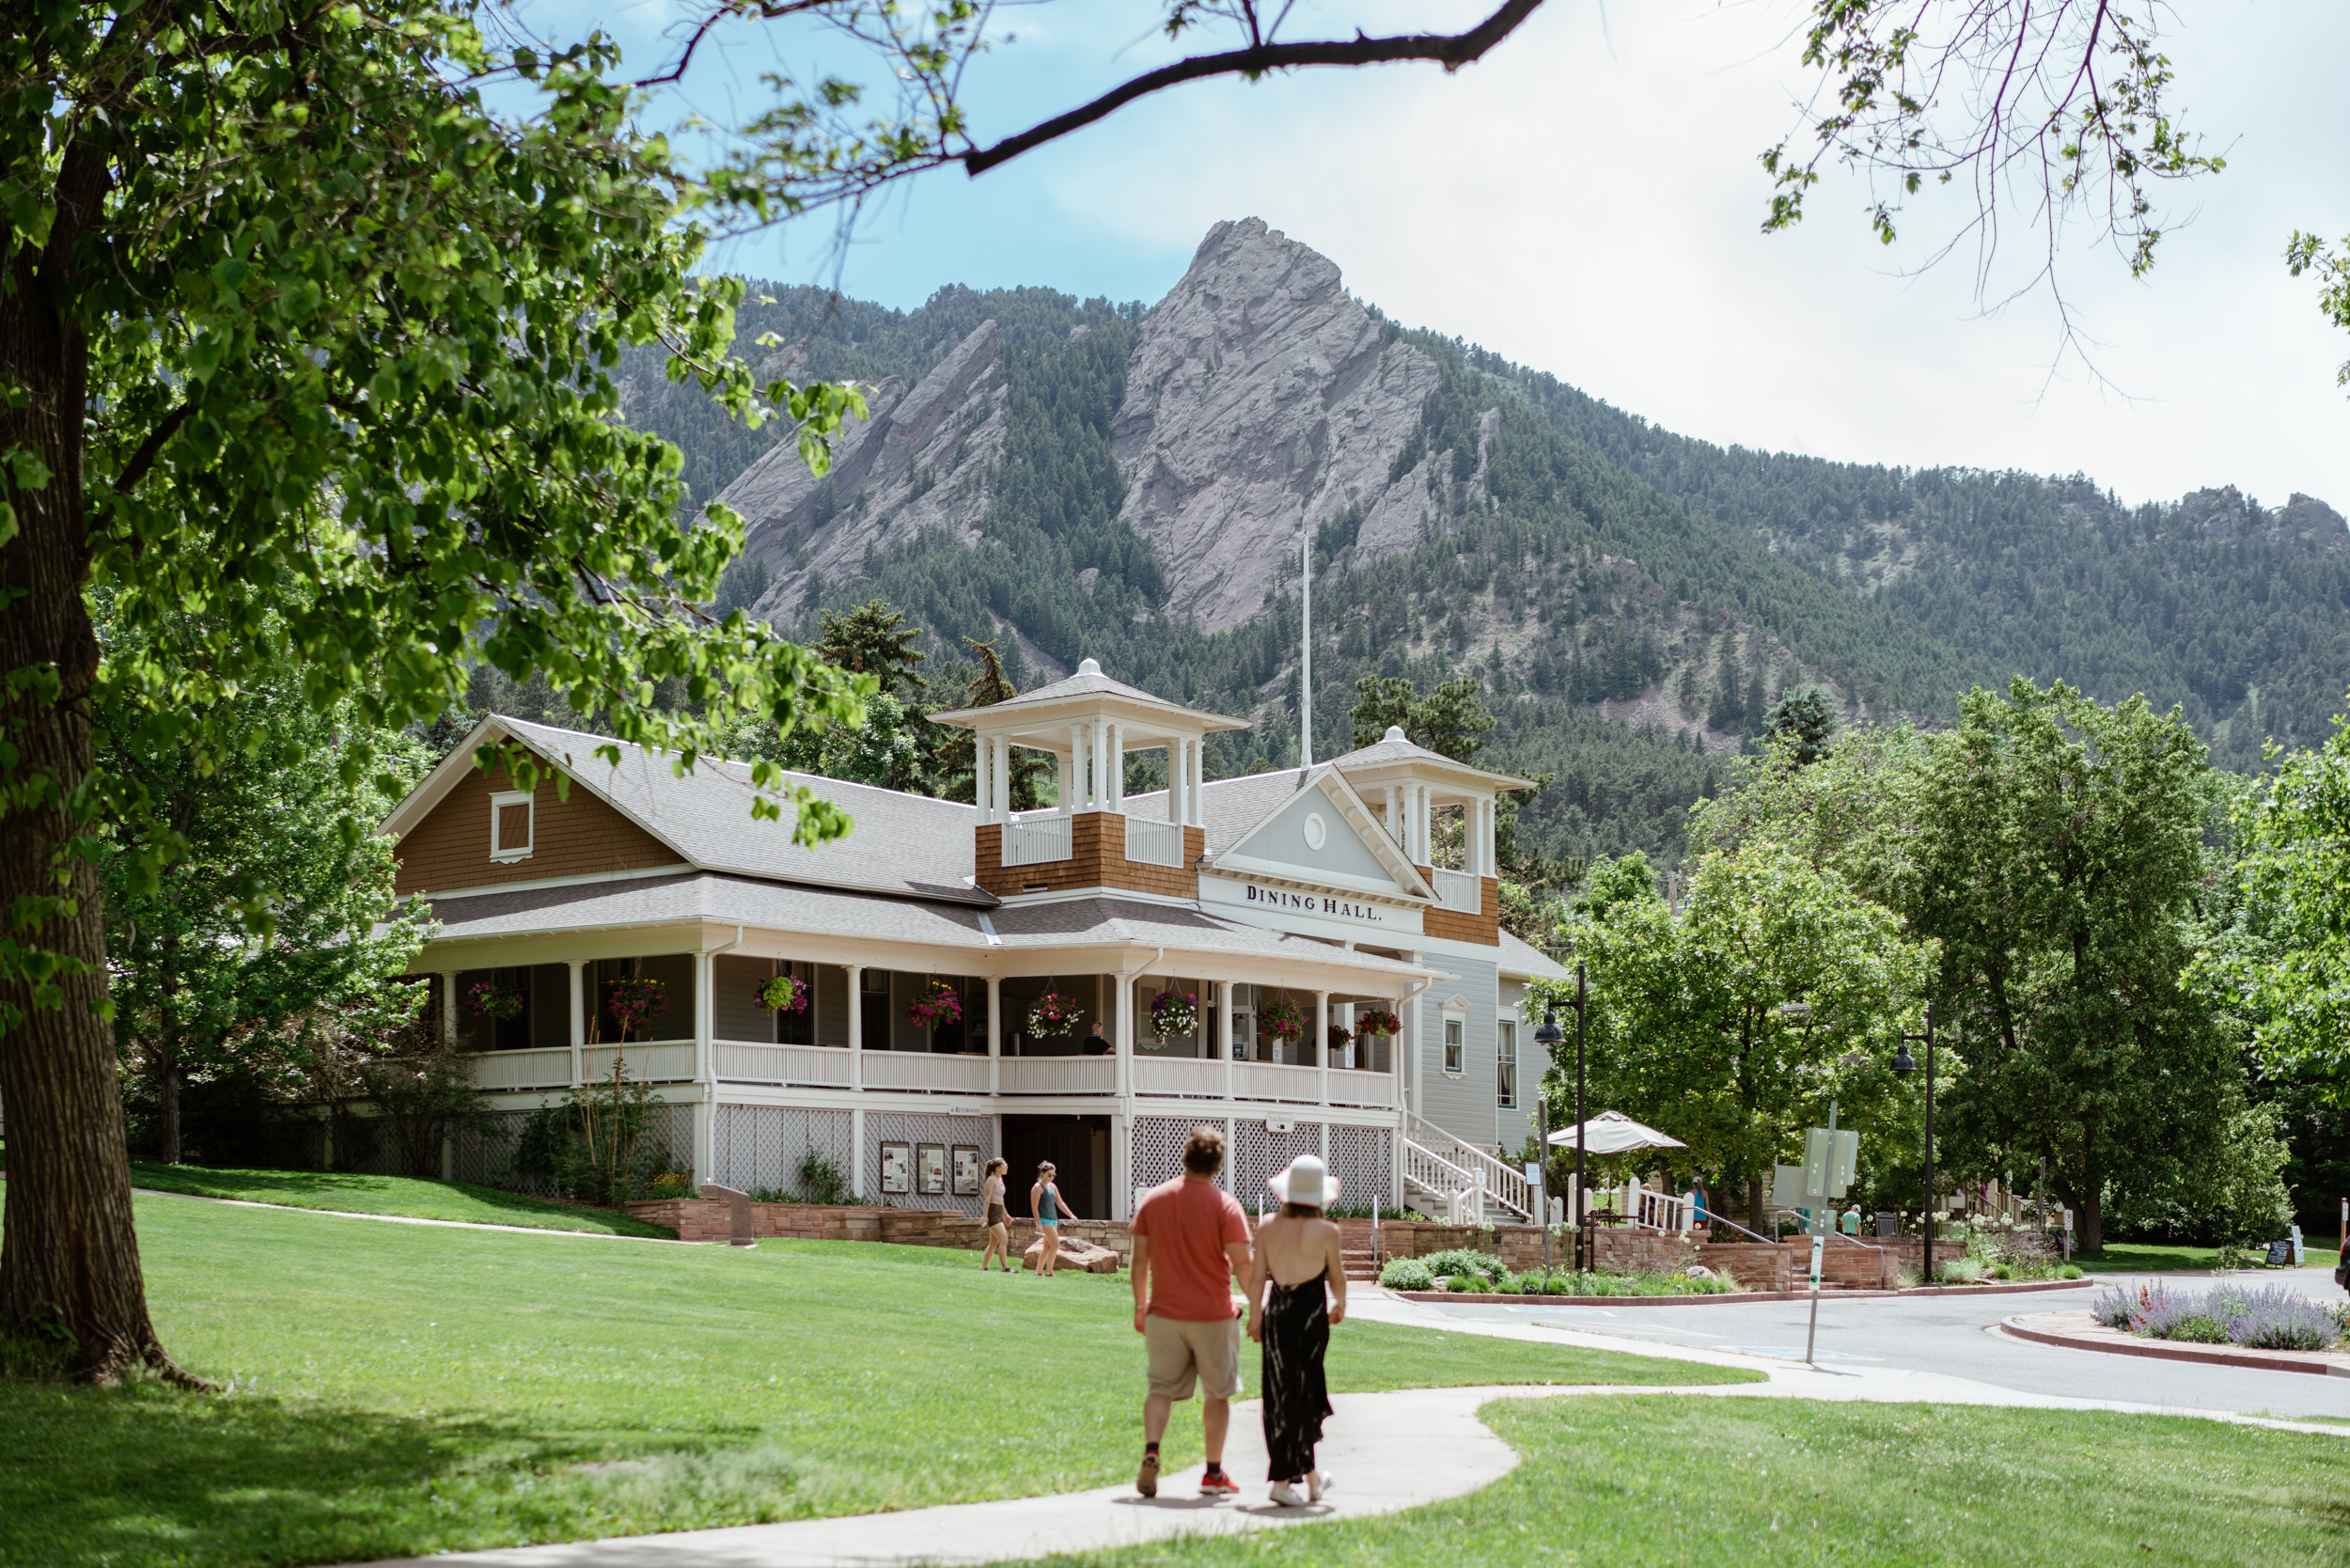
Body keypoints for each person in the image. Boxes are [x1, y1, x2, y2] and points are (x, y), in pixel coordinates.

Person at [1129, 1124, 1252, 1500]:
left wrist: (1140, 1306)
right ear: (1217, 1164)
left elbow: (1139, 1261)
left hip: (1164, 1313)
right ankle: (1213, 1473)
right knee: (1217, 1394)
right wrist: (1259, 1306)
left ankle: (1152, 1450)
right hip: (1213, 1315)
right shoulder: (1225, 1205)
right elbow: (1243, 1264)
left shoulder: (1155, 1199)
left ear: (1186, 1158)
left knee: (1160, 1388)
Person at [1247, 1153, 1346, 1506]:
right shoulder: (1326, 1231)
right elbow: (1336, 1278)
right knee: (1304, 1392)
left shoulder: (1268, 1227)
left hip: (1277, 1312)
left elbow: (1257, 1276)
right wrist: (1342, 1303)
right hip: (1310, 1315)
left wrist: (1255, 1316)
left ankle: (1312, 1480)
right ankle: (1284, 1481)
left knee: (1279, 1393)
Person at [1031, 1161, 1079, 1278]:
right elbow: (1034, 1207)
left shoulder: (1053, 1186)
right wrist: (1038, 1223)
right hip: (1045, 1220)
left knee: (1047, 1247)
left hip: (1053, 1220)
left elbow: (1060, 1203)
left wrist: (1071, 1215)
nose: (1051, 1177)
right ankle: (1049, 1272)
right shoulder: (1037, 1187)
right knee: (1056, 1244)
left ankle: (1038, 1272)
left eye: (1053, 1175)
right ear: (1042, 1173)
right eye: (1049, 1175)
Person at [979, 1158, 1012, 1272]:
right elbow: (987, 1199)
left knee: (994, 1243)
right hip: (992, 1212)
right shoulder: (991, 1179)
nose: (1007, 1167)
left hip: (999, 1211)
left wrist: (1006, 1214)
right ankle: (1005, 1268)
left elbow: (1001, 1200)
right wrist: (985, 1216)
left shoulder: (1000, 1179)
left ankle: (983, 1267)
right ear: (998, 1168)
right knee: (1004, 1240)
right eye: (1005, 1165)